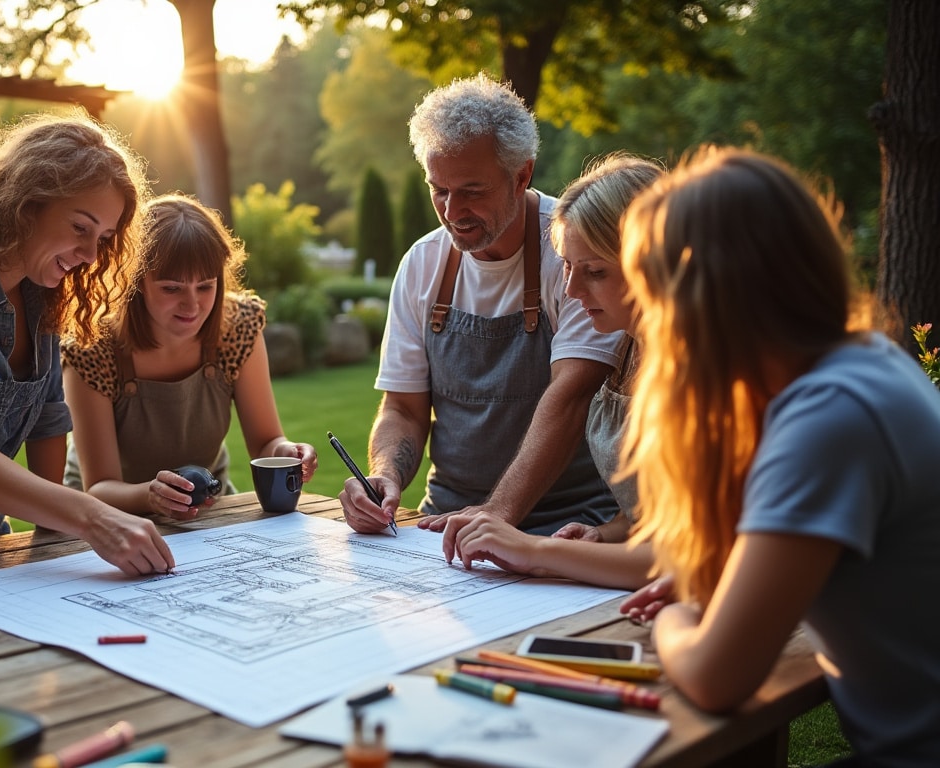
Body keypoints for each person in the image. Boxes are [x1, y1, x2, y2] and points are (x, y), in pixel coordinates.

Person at [616, 147, 940, 765]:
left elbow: (715, 677)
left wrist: (675, 623)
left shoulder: (832, 415)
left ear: (701, 303)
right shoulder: (862, 366)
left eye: (653, 301)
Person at [342, 72, 625, 537]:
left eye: (472, 192)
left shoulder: (573, 253)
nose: (452, 212)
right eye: (439, 190)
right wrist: (385, 475)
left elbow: (570, 400)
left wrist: (497, 513)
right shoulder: (422, 264)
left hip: (570, 525)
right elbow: (403, 408)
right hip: (446, 521)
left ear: (522, 175)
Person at [0, 114, 175, 576]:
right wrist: (92, 517)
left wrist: (52, 538)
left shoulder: (43, 294)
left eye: (103, 239)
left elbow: (48, 423)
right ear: (27, 203)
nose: (91, 256)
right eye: (80, 228)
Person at [443, 153, 663, 590]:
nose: (572, 289)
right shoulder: (629, 345)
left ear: (654, 265)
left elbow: (691, 554)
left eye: (595, 271)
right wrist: (605, 536)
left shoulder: (707, 372)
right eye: (566, 264)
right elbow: (651, 510)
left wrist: (537, 551)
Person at [62, 194, 318, 518]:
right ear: (135, 282)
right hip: (104, 518)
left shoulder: (238, 328)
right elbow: (99, 486)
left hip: (205, 511)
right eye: (172, 288)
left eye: (206, 286)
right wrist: (153, 497)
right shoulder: (92, 347)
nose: (192, 305)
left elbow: (266, 442)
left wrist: (286, 452)